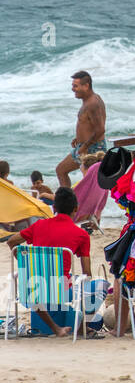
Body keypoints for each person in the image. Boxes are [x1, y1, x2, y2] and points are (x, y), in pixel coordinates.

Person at [3, 187, 92, 337]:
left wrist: (26, 264)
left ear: (54, 207)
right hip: (61, 290)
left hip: (33, 289)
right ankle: (82, 326)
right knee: (95, 285)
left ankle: (56, 326)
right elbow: (87, 273)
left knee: (42, 284)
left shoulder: (38, 226)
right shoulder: (81, 235)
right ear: (76, 209)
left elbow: (11, 241)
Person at [56, 70, 107, 188]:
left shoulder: (93, 103)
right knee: (61, 170)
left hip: (93, 149)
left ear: (86, 85)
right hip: (85, 146)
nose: (73, 89)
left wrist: (85, 146)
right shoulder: (88, 101)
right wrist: (78, 138)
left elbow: (100, 130)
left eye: (75, 86)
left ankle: (79, 204)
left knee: (92, 183)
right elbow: (88, 125)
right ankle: (67, 202)